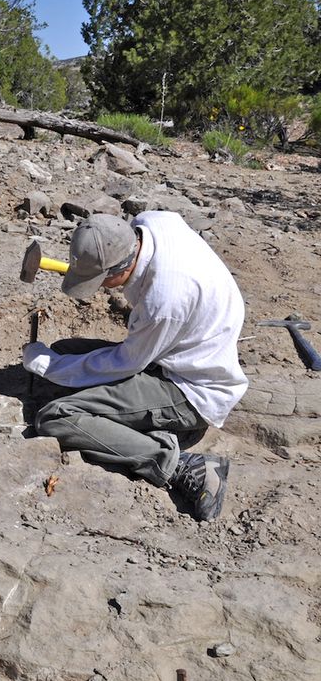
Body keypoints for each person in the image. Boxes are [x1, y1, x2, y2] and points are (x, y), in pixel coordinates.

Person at [23, 212, 248, 521]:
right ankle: (135, 426)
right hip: (174, 353)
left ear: (120, 268)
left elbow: (127, 362)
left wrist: (50, 367)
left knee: (56, 417)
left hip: (190, 389)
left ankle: (177, 464)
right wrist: (57, 362)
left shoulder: (165, 300)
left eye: (101, 281)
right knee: (65, 351)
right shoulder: (152, 223)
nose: (100, 289)